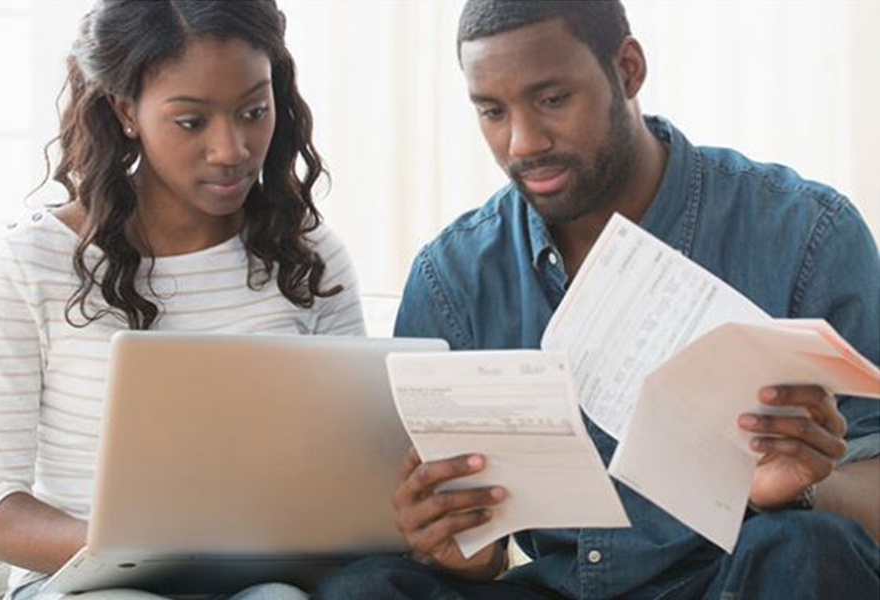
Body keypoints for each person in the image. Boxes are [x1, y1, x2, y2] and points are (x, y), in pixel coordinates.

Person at [315, 1, 880, 598]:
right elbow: (462, 542)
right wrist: (461, 553)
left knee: (804, 547)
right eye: (492, 111)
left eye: (553, 99)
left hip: (731, 580)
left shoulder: (806, 232)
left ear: (629, 70)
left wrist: (803, 489)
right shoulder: (450, 277)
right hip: (553, 588)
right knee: (365, 586)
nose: (523, 141)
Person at [0, 1, 365, 599]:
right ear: (125, 110)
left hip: (259, 578)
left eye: (253, 111)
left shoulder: (308, 256)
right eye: (192, 122)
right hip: (85, 584)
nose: (232, 149)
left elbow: (352, 466)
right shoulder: (32, 262)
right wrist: (132, 549)